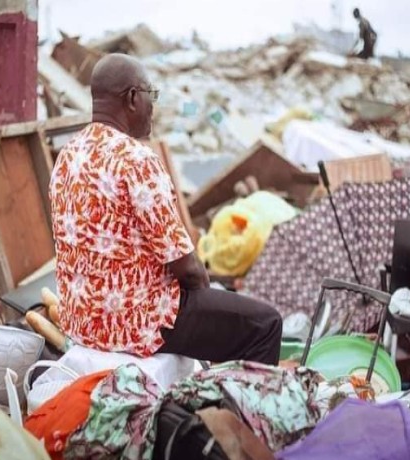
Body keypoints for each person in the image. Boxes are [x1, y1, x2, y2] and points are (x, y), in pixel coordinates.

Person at [49, 53, 282, 365]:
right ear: (132, 98)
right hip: (135, 322)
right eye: (151, 95)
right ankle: (243, 413)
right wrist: (207, 305)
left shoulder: (68, 155)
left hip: (82, 321)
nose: (153, 107)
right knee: (266, 324)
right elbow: (186, 269)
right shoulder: (135, 159)